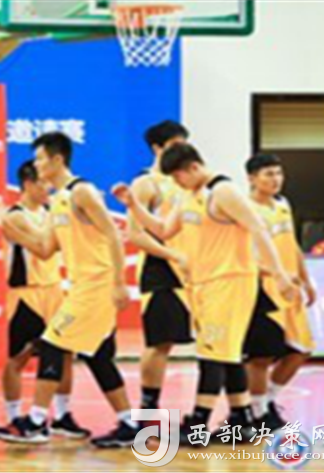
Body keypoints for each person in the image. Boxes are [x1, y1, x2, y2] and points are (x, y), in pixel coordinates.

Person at [112, 143, 296, 446]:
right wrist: (133, 205)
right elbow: (163, 229)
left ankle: (196, 424)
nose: (176, 183)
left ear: (193, 168)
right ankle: (242, 419)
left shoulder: (223, 192)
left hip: (231, 281)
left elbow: (258, 230)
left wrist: (279, 275)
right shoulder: (187, 195)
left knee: (212, 354)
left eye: (178, 177)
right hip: (202, 284)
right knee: (225, 352)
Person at [0, 132, 139, 448]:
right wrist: (7, 226)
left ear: (57, 159)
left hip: (97, 286)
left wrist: (118, 283)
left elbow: (113, 235)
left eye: (40, 158)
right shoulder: (56, 202)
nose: (36, 165)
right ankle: (129, 424)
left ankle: (35, 422)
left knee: (52, 344)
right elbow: (44, 249)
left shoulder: (81, 192)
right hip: (80, 286)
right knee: (98, 357)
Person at [0, 160, 90, 440]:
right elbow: (43, 245)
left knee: (64, 355)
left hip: (54, 291)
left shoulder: (51, 212)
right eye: (43, 182)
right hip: (27, 294)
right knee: (19, 358)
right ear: (28, 184)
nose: (48, 187)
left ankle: (62, 416)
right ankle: (14, 416)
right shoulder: (16, 216)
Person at [244, 154, 316, 430]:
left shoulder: (282, 205)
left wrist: (306, 280)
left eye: (278, 173)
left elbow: (292, 245)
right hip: (263, 291)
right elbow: (245, 257)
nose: (276, 179)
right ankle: (257, 411)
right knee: (261, 356)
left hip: (290, 290)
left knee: (301, 350)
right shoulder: (245, 210)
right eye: (268, 174)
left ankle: (269, 400)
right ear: (252, 178)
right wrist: (277, 275)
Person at [127, 121, 193, 417]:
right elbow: (135, 233)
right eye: (175, 145)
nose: (181, 150)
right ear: (157, 148)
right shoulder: (146, 183)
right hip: (161, 269)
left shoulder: (187, 181)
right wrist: (172, 255)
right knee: (159, 343)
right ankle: (148, 411)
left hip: (194, 269)